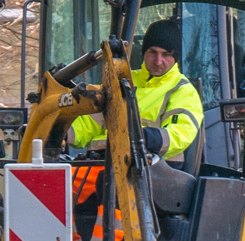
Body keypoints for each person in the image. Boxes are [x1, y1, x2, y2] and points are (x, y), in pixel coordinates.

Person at [70, 18, 203, 164]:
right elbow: (91, 122)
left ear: (175, 57)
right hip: (103, 160)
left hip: (155, 168)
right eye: (152, 52)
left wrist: (146, 138)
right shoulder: (124, 79)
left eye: (166, 54)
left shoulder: (183, 90)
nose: (158, 61)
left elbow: (181, 133)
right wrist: (63, 134)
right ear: (144, 52)